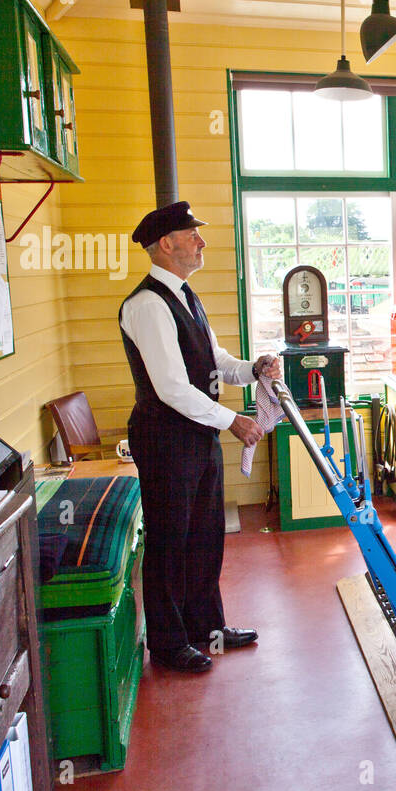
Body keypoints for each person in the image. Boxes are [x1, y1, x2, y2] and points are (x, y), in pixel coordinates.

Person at [119, 201, 282, 673]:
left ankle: (207, 629)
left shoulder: (187, 297)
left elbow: (215, 361)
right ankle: (169, 644)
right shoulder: (148, 304)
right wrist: (231, 420)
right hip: (166, 438)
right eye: (193, 234)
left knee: (205, 536)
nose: (201, 242)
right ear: (166, 244)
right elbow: (171, 387)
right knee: (171, 540)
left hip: (197, 435)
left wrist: (253, 369)